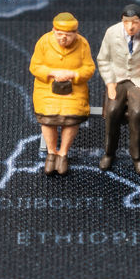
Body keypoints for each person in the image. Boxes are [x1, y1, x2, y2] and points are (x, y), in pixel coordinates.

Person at [96, 4, 140, 175]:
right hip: (118, 78)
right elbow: (103, 59)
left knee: (138, 112)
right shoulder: (111, 33)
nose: (130, 26)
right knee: (112, 111)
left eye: (135, 22)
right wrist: (110, 82)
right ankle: (109, 152)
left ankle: (137, 156)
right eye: (126, 22)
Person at [29, 12, 95, 175]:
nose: (63, 39)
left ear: (75, 33)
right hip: (47, 88)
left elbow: (89, 68)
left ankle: (63, 154)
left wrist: (73, 74)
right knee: (48, 119)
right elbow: (35, 67)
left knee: (71, 119)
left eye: (68, 35)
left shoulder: (83, 44)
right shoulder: (44, 42)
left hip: (74, 89)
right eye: (59, 34)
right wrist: (52, 72)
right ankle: (51, 153)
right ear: (53, 31)